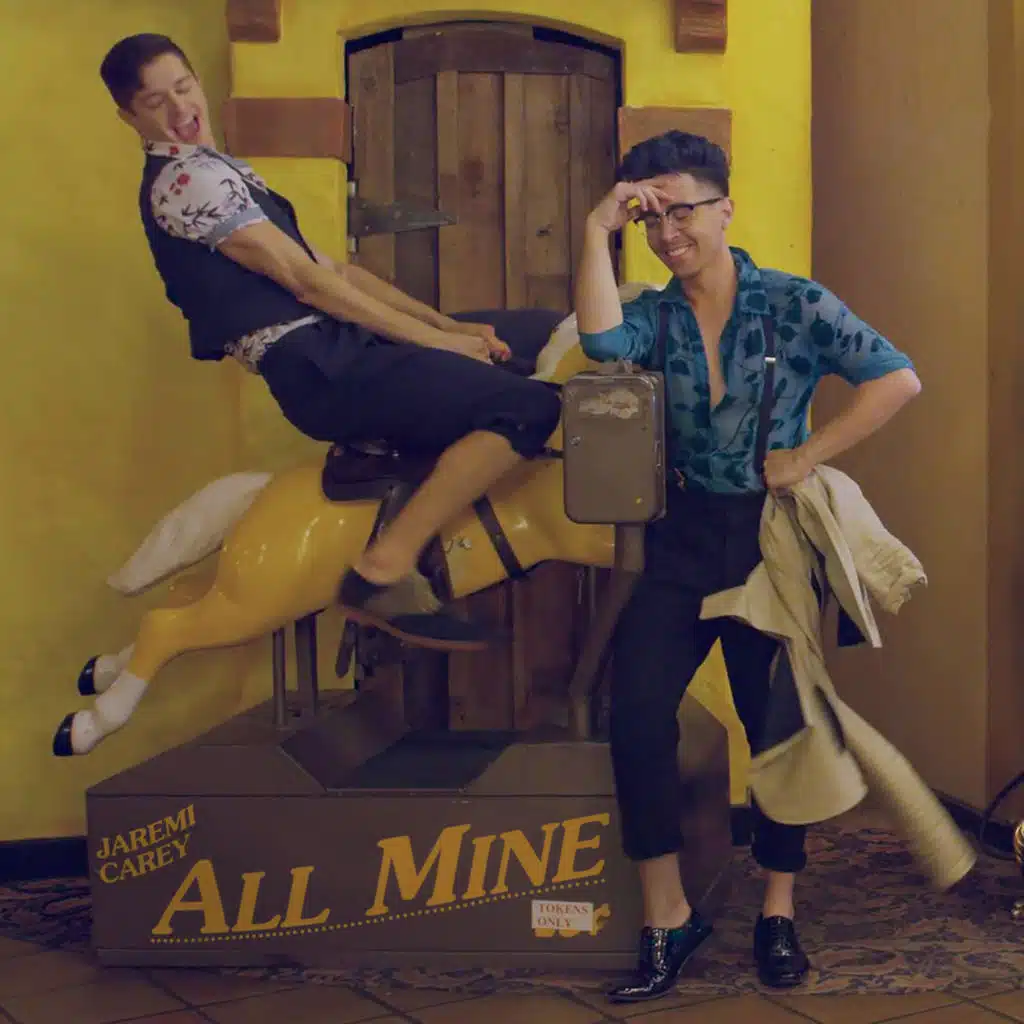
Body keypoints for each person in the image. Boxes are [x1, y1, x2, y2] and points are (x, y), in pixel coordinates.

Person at [575, 130, 921, 1002]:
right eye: (651, 219)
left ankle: (777, 912)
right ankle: (668, 918)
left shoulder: (794, 303)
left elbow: (895, 379)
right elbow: (602, 345)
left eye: (682, 212)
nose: (667, 234)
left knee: (779, 731)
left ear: (725, 209)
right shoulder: (655, 314)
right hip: (682, 537)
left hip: (770, 542)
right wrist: (596, 229)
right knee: (637, 713)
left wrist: (806, 456)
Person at [99, 34, 562, 652]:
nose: (180, 109)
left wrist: (447, 327)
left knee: (543, 330)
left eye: (184, 88)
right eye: (156, 102)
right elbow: (307, 283)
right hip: (318, 368)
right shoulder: (184, 182)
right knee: (531, 406)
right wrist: (440, 343)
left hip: (341, 344)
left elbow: (336, 271)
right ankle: (381, 572)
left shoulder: (219, 169)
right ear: (129, 117)